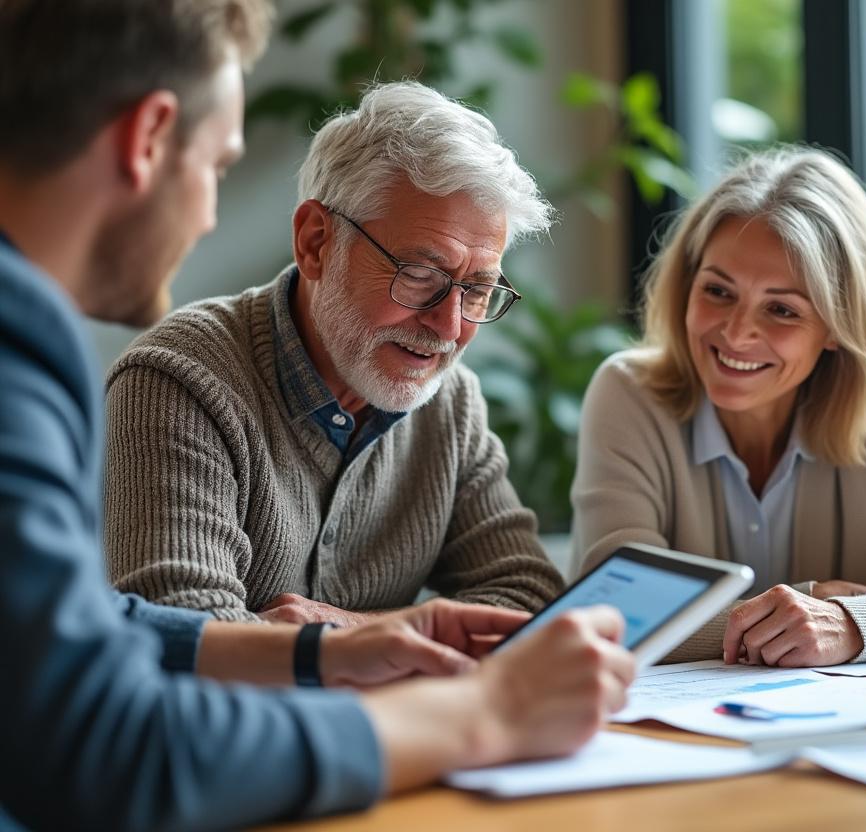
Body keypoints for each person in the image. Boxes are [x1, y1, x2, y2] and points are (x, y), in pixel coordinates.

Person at [0, 2, 633, 829]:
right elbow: (112, 738)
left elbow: (95, 629)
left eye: (477, 290)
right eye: (221, 166)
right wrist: (482, 717)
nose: (209, 218)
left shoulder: (447, 399)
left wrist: (332, 643)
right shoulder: (39, 351)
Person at [102, 79, 566, 626]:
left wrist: (351, 628)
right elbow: (181, 630)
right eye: (419, 275)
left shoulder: (450, 403)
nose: (449, 325)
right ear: (316, 242)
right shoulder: (181, 380)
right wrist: (402, 639)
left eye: (478, 289)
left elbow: (528, 597)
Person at [571, 146, 866, 667]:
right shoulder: (630, 396)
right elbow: (617, 618)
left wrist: (850, 623)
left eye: (781, 309)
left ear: (837, 327)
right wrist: (808, 602)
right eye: (717, 290)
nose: (735, 332)